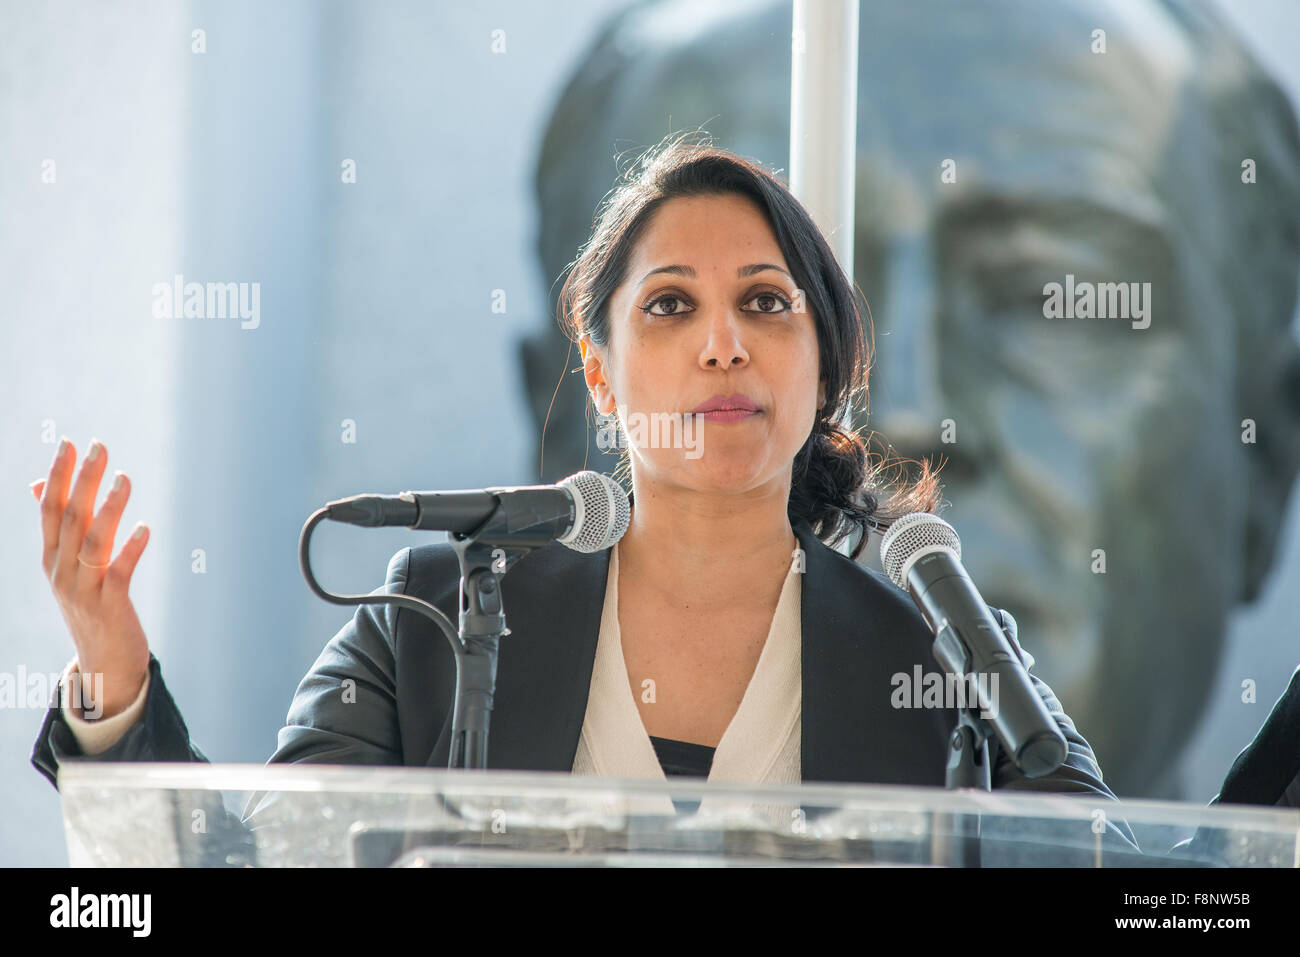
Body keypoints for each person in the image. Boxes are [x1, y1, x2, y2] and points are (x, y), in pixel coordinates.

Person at [30, 137, 1138, 861]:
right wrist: (116, 685)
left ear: (827, 364)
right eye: (667, 307)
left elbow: (1108, 867)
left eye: (764, 303)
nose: (720, 345)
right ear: (600, 376)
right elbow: (256, 862)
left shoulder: (930, 637)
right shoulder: (433, 609)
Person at [518, 0, 1300, 800]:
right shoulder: (439, 629)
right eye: (671, 305)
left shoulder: (956, 656)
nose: (911, 411)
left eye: (1039, 292)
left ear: (1269, 452)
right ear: (587, 379)